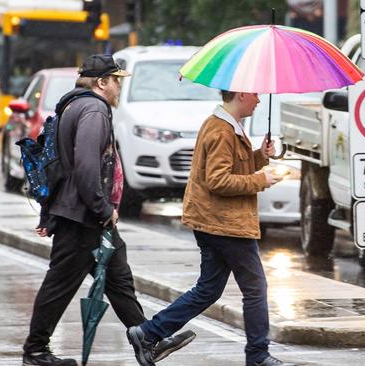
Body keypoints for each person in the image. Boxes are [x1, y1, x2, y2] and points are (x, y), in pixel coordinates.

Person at [22, 54, 195, 366]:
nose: (118, 88)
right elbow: (87, 166)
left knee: (118, 277)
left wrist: (52, 212)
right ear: (102, 82)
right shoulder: (94, 110)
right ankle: (35, 351)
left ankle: (146, 338)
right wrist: (103, 209)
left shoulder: (73, 106)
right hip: (83, 216)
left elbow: (61, 165)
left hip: (80, 212)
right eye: (116, 81)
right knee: (59, 284)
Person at [126, 91, 295, 366]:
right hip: (225, 223)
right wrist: (260, 180)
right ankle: (258, 356)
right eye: (255, 94)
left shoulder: (225, 125)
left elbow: (232, 167)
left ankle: (148, 333)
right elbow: (218, 180)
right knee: (255, 288)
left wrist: (259, 157)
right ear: (241, 94)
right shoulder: (221, 129)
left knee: (209, 289)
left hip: (215, 221)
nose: (259, 100)